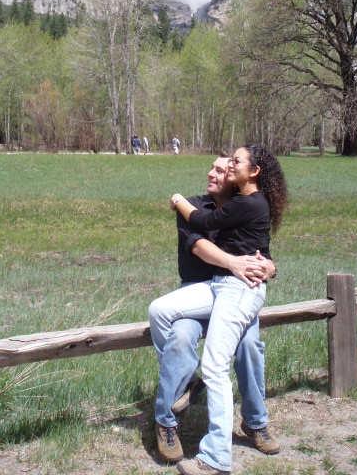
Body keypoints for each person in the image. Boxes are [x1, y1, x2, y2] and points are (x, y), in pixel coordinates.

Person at [149, 144, 287, 475]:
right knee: (167, 321)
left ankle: (254, 424)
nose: (213, 173)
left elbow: (259, 252)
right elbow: (198, 242)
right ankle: (178, 398)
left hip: (232, 293)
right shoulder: (197, 206)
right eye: (213, 168)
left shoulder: (244, 204)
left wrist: (267, 267)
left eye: (223, 169)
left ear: (237, 179)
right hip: (203, 290)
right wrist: (234, 264)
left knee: (248, 346)